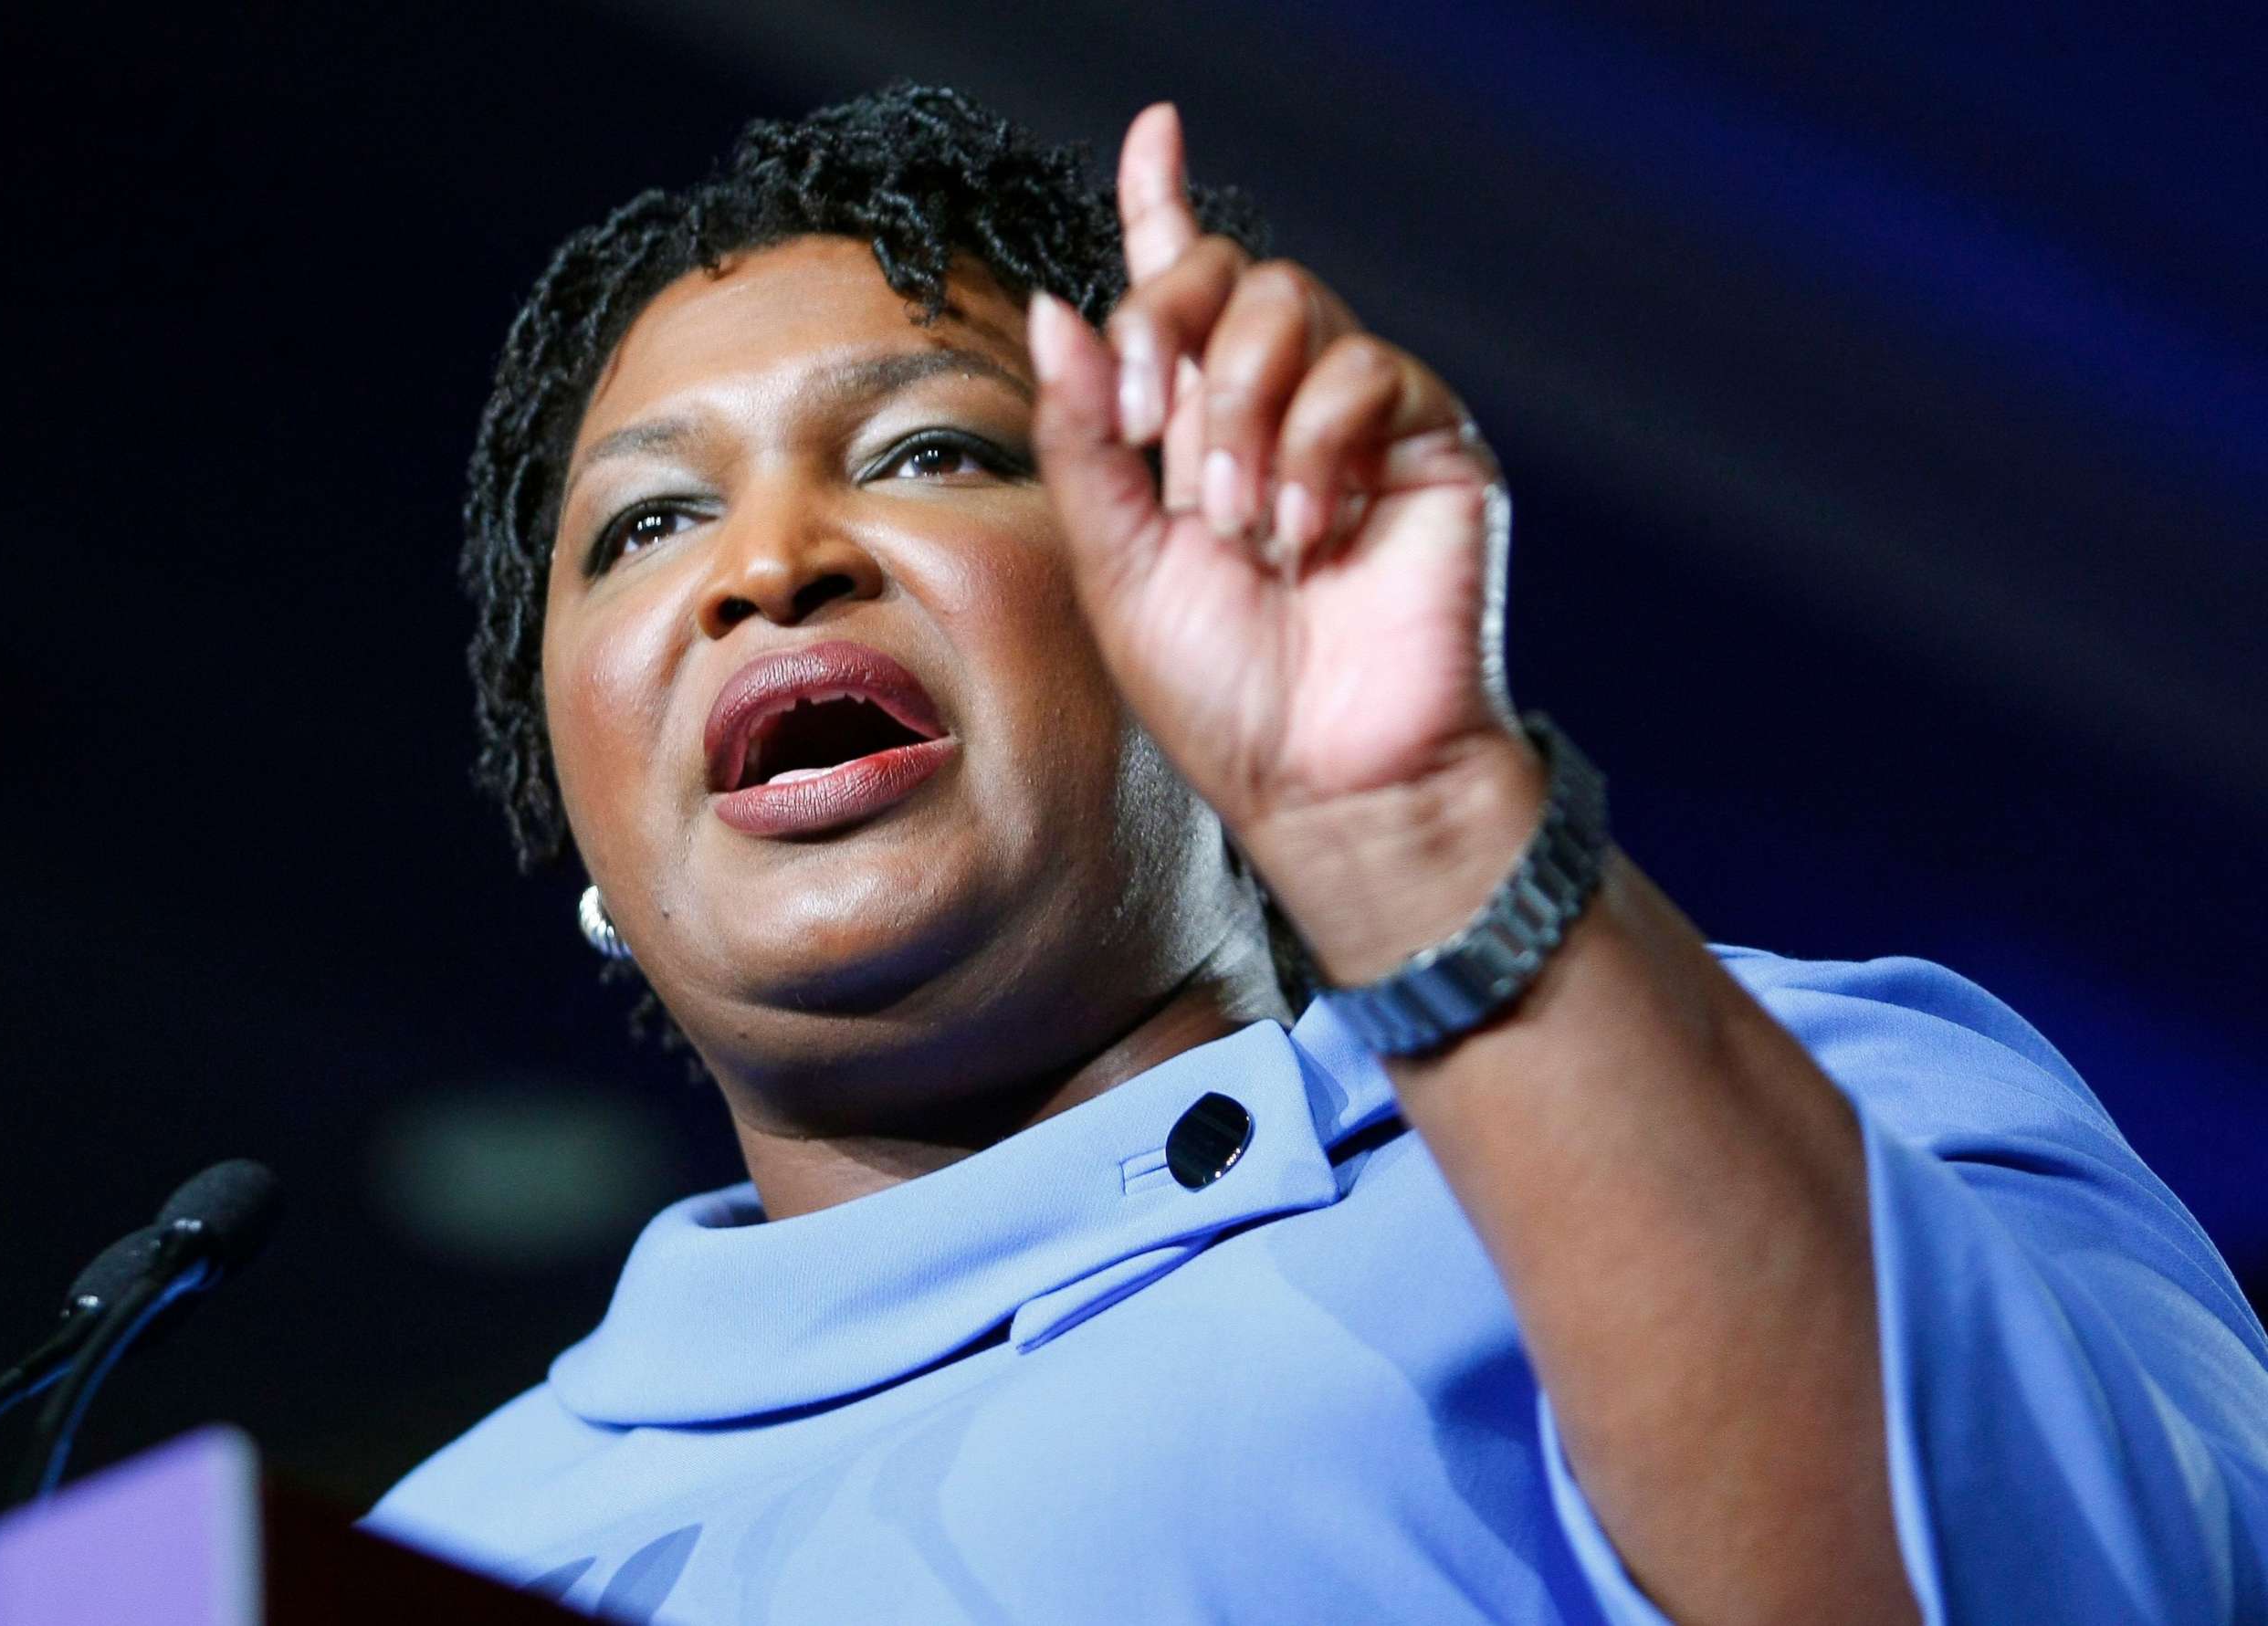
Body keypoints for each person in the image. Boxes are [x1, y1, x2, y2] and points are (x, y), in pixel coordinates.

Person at [362, 84, 2268, 1624]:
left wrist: (1422, 823)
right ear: (581, 815)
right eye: (646, 526)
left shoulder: (1817, 1106)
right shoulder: (428, 1554)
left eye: (933, 451)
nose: (769, 565)